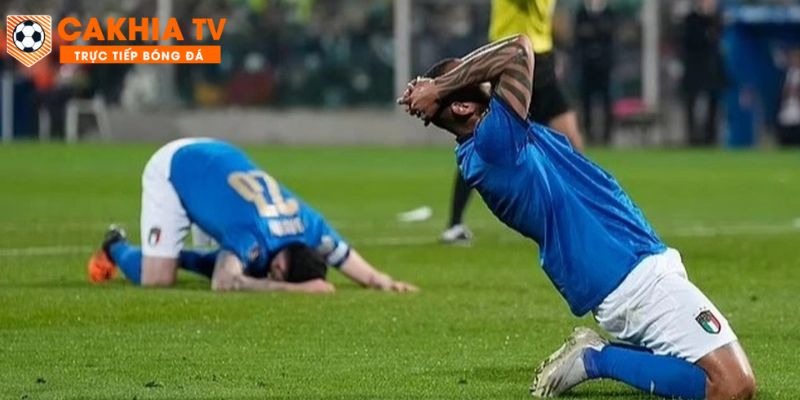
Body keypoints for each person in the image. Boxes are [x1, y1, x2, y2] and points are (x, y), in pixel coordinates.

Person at [398, 34, 755, 399]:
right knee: (732, 385)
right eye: (469, 73)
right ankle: (596, 359)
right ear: (462, 107)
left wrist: (438, 89)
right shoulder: (493, 143)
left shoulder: (495, 139)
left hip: (631, 268)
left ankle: (606, 356)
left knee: (696, 368)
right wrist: (438, 87)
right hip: (632, 278)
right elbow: (518, 50)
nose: (481, 70)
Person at [87, 138, 418, 294]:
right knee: (158, 280)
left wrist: (381, 281)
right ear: (279, 269)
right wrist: (297, 291)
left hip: (220, 157)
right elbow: (223, 282)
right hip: (175, 166)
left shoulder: (310, 226)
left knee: (237, 261)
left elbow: (343, 256)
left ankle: (189, 244)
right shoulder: (253, 235)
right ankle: (115, 245)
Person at [441, 0, 585, 245]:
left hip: (541, 60)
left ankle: (581, 215)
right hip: (510, 58)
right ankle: (454, 223)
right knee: (482, 139)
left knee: (570, 138)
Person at [681, 0, 725, 147]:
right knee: (691, 103)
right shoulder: (691, 19)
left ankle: (710, 137)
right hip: (695, 68)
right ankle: (692, 138)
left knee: (713, 102)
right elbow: (689, 41)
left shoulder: (717, 19)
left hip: (712, 69)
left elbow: (718, 40)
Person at [574, 0, 615, 145]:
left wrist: (591, 31)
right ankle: (589, 134)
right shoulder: (582, 12)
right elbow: (578, 34)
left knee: (606, 100)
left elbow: (609, 32)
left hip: (604, 66)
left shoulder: (608, 12)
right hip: (586, 65)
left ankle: (607, 135)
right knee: (586, 101)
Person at [777, 49, 800, 147]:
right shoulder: (785, 74)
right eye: (793, 58)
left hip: (797, 114)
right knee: (785, 144)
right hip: (786, 114)